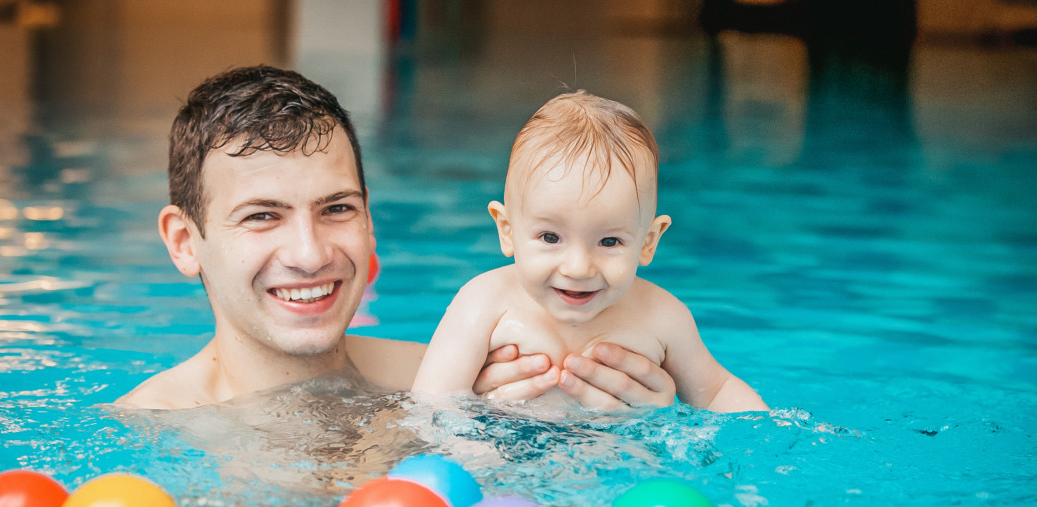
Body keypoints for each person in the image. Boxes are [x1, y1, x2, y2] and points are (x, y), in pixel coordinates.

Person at [116, 66, 675, 410]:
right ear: (185, 241)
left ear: (369, 224)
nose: (311, 254)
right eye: (263, 216)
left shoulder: (479, 380)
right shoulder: (145, 439)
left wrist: (652, 421)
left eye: (337, 209)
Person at [413, 91, 768, 413]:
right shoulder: (483, 303)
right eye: (551, 237)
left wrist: (764, 441)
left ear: (648, 242)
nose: (579, 267)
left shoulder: (664, 317)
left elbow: (716, 391)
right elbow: (433, 405)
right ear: (507, 230)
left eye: (609, 242)